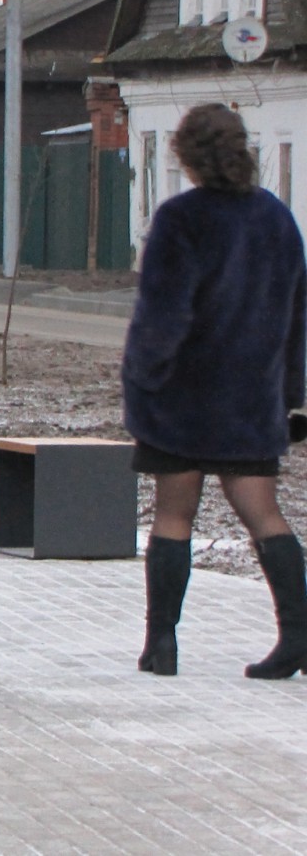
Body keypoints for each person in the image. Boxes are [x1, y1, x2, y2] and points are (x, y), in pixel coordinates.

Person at [124, 103, 307, 679]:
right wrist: (290, 391)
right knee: (264, 514)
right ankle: (298, 637)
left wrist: (143, 378)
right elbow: (298, 316)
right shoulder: (276, 219)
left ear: (186, 155)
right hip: (251, 399)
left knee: (173, 515)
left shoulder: (181, 220)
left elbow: (164, 315)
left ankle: (162, 644)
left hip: (183, 397)